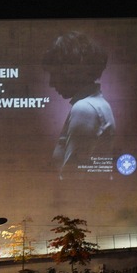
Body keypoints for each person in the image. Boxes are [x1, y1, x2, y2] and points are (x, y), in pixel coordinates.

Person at [42, 31, 116, 179]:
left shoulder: (85, 108)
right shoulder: (97, 104)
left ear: (70, 71)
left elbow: (72, 178)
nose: (51, 83)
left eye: (54, 74)